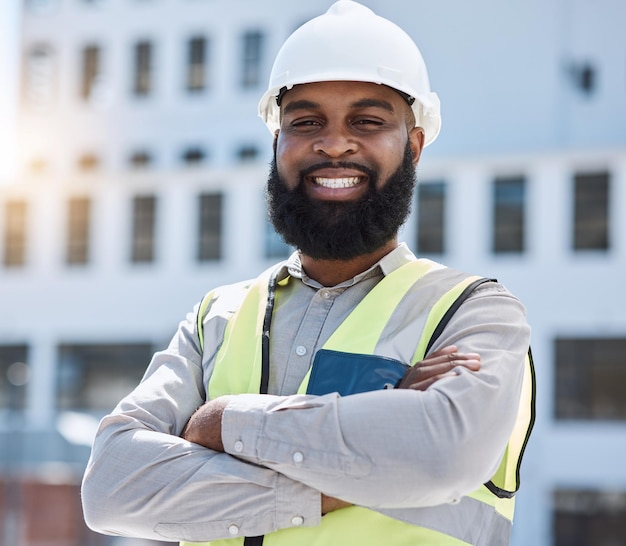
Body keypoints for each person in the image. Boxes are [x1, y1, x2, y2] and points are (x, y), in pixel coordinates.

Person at [82, 2, 534, 545]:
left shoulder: (474, 314)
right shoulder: (216, 320)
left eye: (367, 121)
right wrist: (359, 459)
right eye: (306, 122)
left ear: (412, 146)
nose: (335, 142)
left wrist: (221, 423)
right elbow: (111, 487)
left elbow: (442, 454)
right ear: (277, 144)